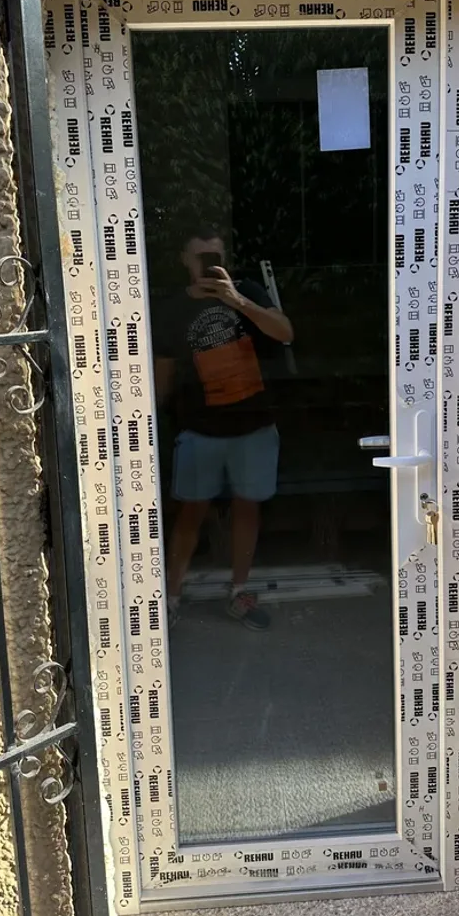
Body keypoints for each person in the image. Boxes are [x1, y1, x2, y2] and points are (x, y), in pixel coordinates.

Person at [153, 227, 294, 631]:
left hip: (254, 425)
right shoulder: (172, 309)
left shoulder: (246, 291)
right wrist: (158, 424)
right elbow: (163, 374)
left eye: (215, 257)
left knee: (248, 509)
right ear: (185, 260)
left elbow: (285, 333)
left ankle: (239, 592)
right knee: (190, 513)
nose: (208, 266)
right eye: (201, 258)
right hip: (200, 430)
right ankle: (170, 598)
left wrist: (237, 301)